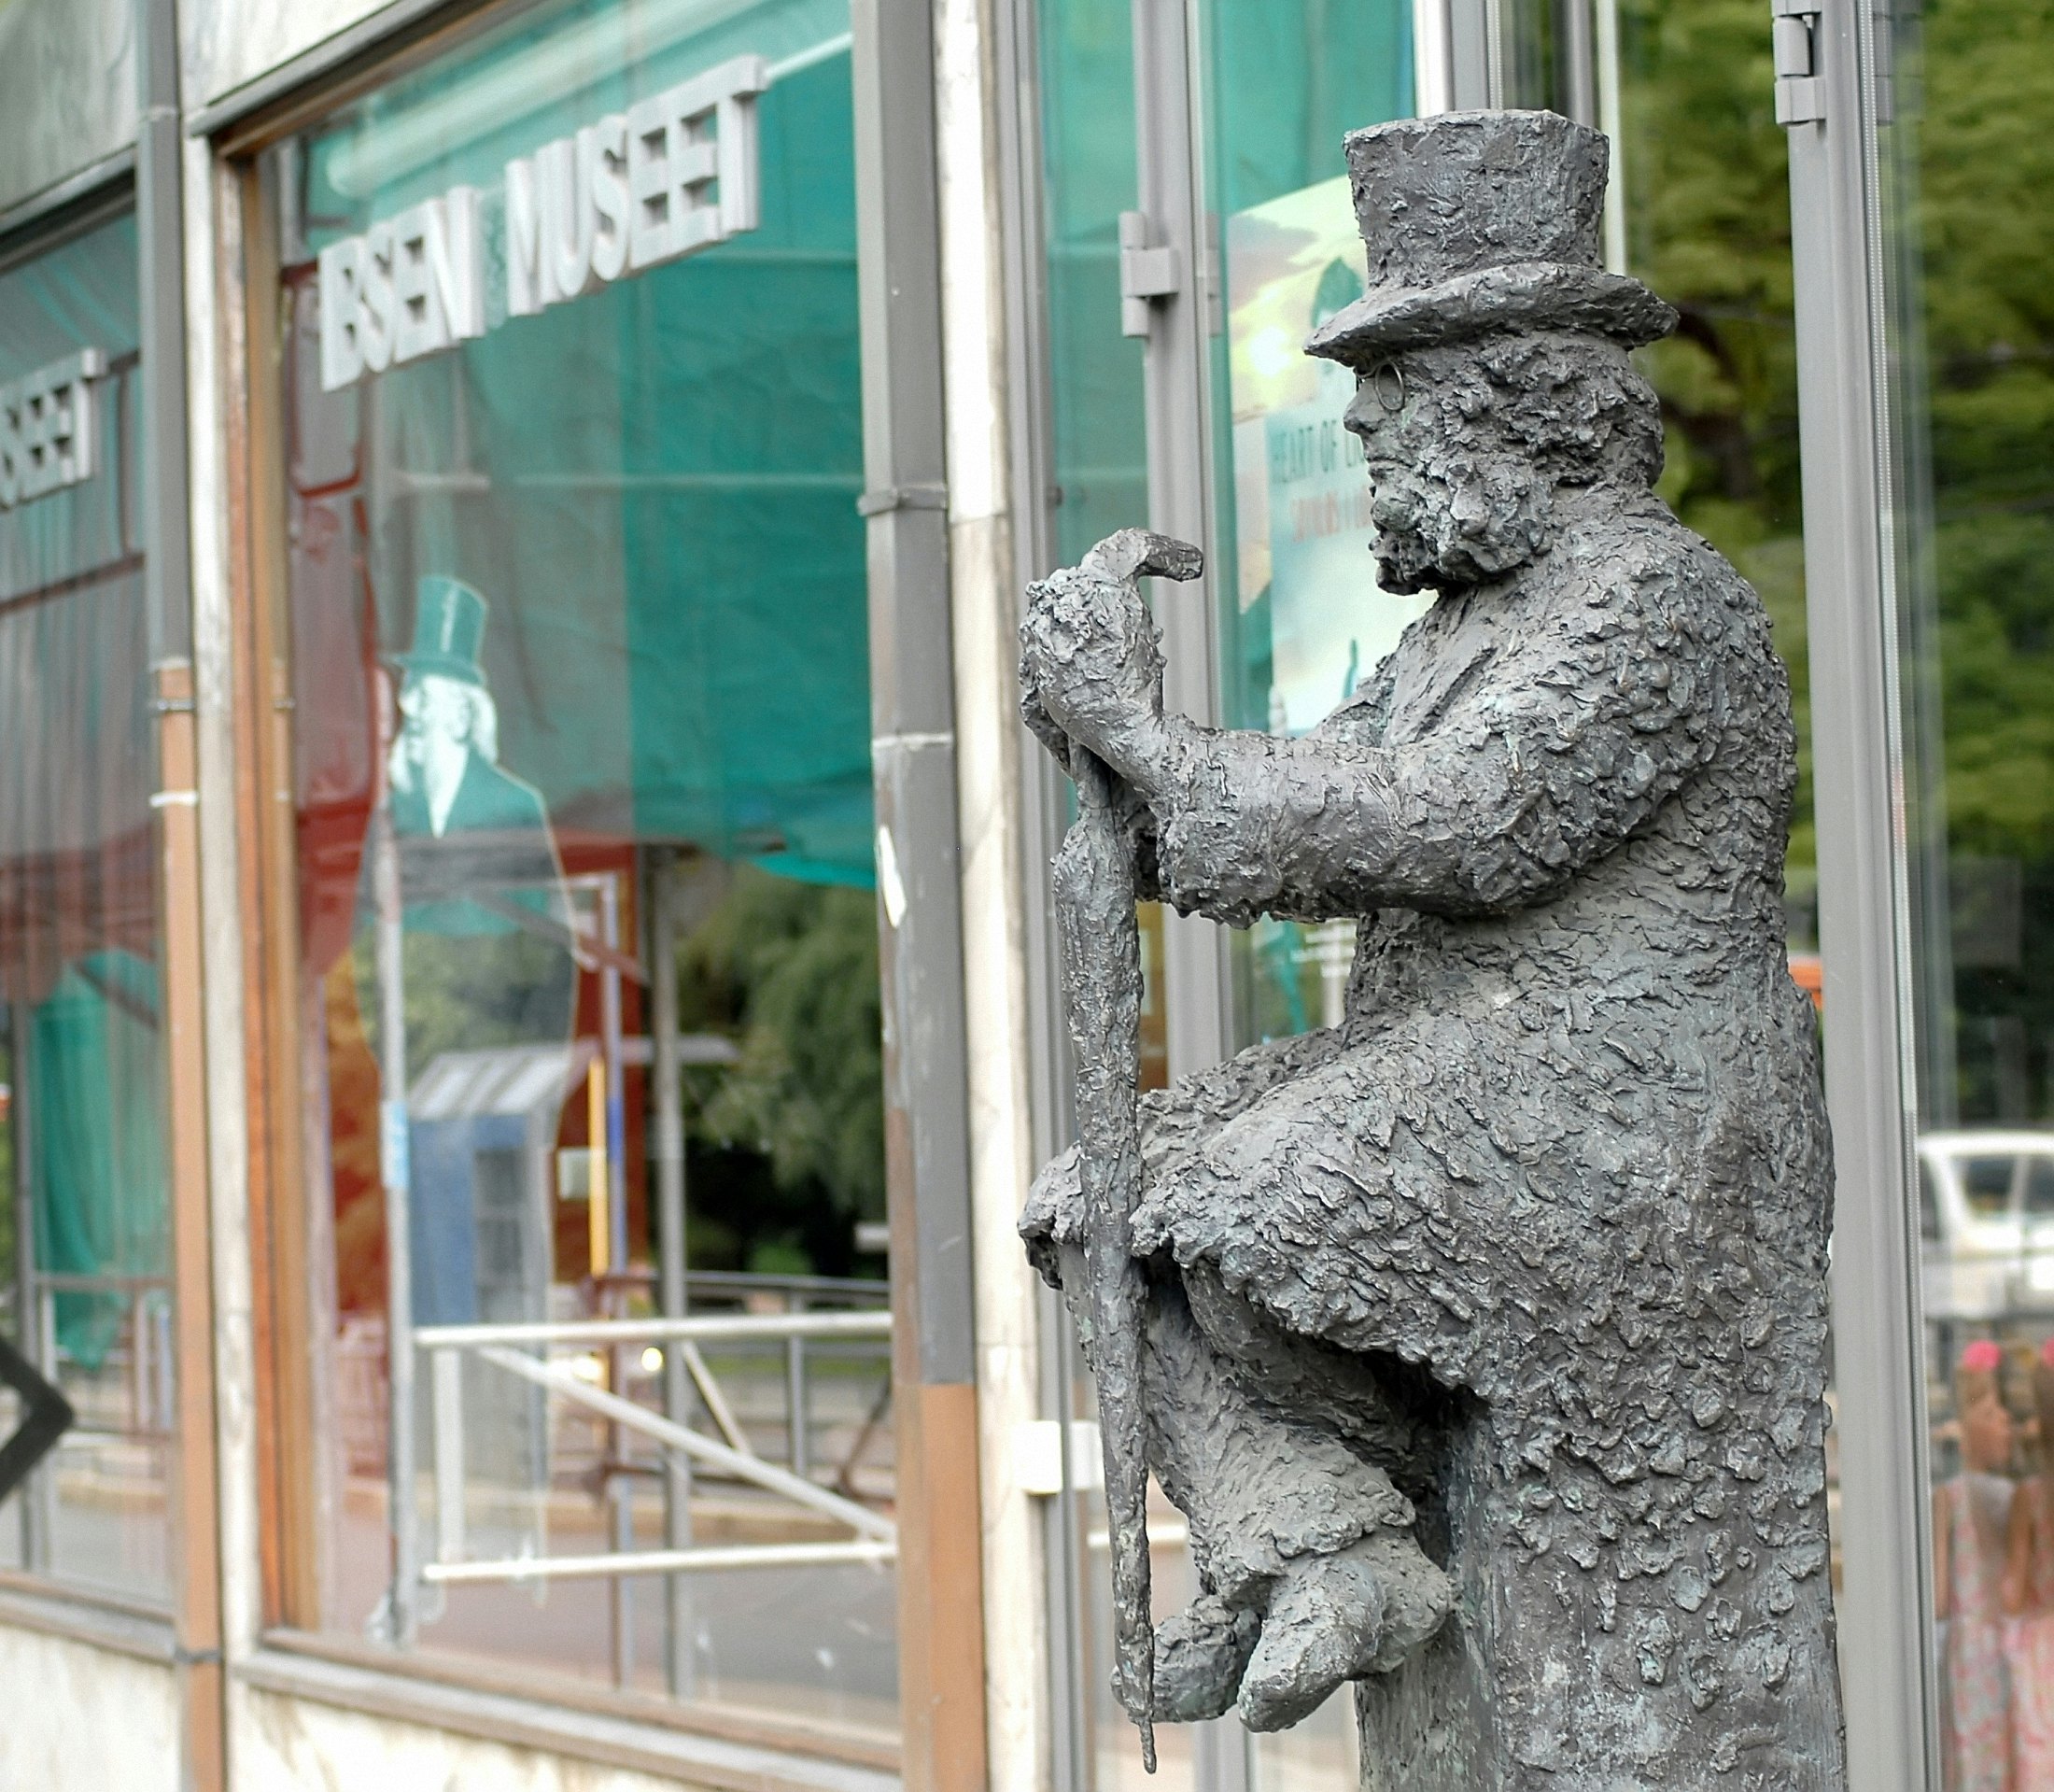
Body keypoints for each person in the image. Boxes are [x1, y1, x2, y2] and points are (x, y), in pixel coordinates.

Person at [1020, 111, 1840, 1785]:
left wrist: (1150, 740)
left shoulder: (1653, 603)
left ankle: (1332, 1548)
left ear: (1512, 409)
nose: (1370, 452)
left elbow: (1450, 823)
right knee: (1085, 1199)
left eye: (1388, 417)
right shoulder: (1460, 633)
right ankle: (1321, 1541)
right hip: (1473, 1093)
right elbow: (1322, 796)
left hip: (1627, 1130)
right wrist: (1118, 750)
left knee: (1244, 1207)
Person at [1938, 1339, 2015, 1791]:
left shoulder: (1959, 1497)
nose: (2004, 1422)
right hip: (1989, 1653)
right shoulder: (1975, 1497)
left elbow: (1939, 1593)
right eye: (1991, 1414)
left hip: (1975, 1652)